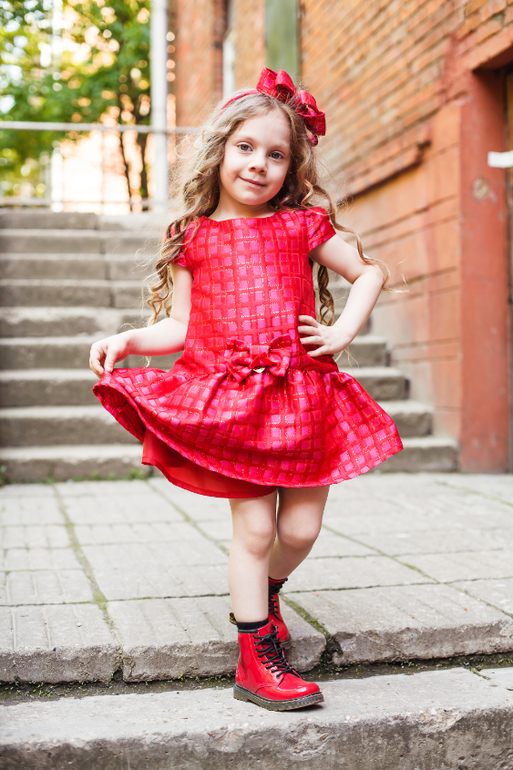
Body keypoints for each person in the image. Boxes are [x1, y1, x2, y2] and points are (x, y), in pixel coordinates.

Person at [90, 68, 403, 712]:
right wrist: (129, 338)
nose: (259, 164)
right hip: (233, 404)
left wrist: (342, 330)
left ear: (291, 169)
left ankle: (267, 593)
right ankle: (256, 657)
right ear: (219, 150)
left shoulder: (301, 226)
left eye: (277, 154)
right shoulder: (193, 236)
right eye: (245, 147)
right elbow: (180, 326)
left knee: (302, 529)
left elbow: (368, 273)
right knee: (256, 530)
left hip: (303, 397)